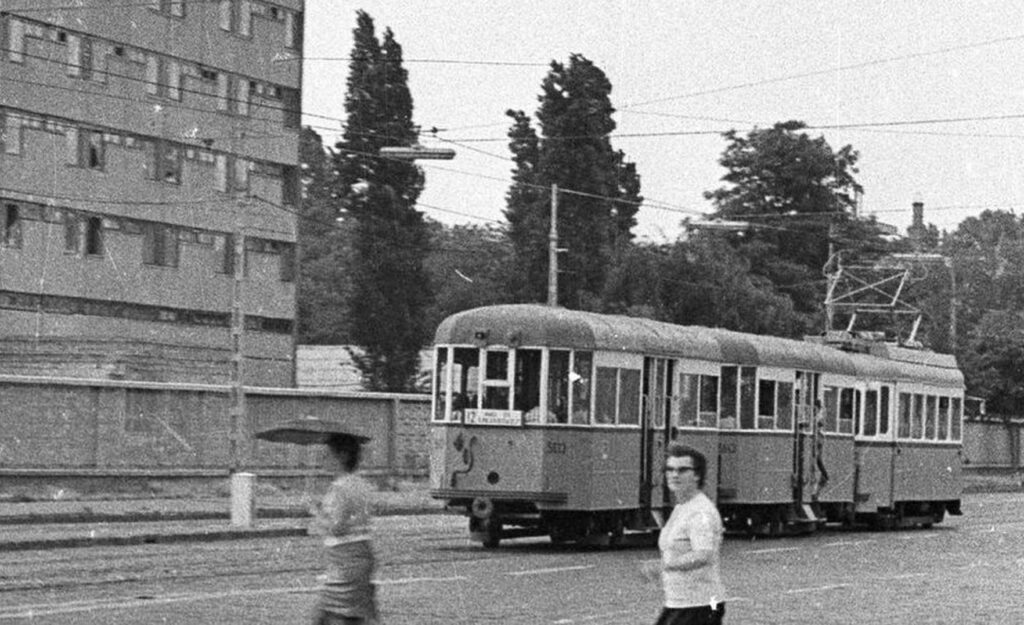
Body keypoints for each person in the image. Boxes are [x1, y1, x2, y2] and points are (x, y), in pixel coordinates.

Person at [642, 443, 725, 625]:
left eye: (682, 470)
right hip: (682, 603)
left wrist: (666, 565)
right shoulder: (682, 507)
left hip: (699, 604)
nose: (674, 475)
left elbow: (704, 554)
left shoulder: (700, 511)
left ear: (697, 475)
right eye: (670, 469)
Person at [309, 433, 379, 625]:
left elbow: (337, 527)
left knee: (328, 615)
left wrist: (317, 514)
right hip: (362, 556)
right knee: (352, 615)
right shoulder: (363, 485)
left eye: (328, 455)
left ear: (342, 456)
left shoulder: (339, 487)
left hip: (344, 563)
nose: (324, 460)